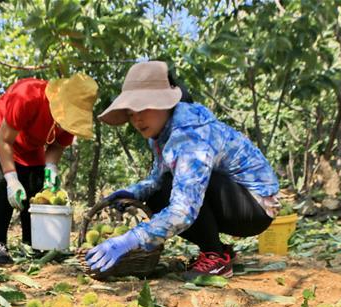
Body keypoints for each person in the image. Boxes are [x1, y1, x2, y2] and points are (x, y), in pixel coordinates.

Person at [86, 61, 280, 279]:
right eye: (131, 113)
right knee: (157, 193)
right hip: (237, 203)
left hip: (255, 207)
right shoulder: (161, 135)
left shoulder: (190, 135)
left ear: (165, 104)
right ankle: (219, 250)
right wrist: (135, 192)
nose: (137, 119)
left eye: (143, 108)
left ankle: (215, 257)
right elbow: (158, 178)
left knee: (175, 187)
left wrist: (130, 239)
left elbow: (183, 209)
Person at [0, 73, 98, 265]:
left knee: (35, 188)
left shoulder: (70, 120)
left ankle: (31, 243)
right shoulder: (27, 96)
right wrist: (11, 178)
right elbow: (5, 140)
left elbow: (57, 145)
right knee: (4, 186)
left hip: (31, 143)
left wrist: (51, 166)